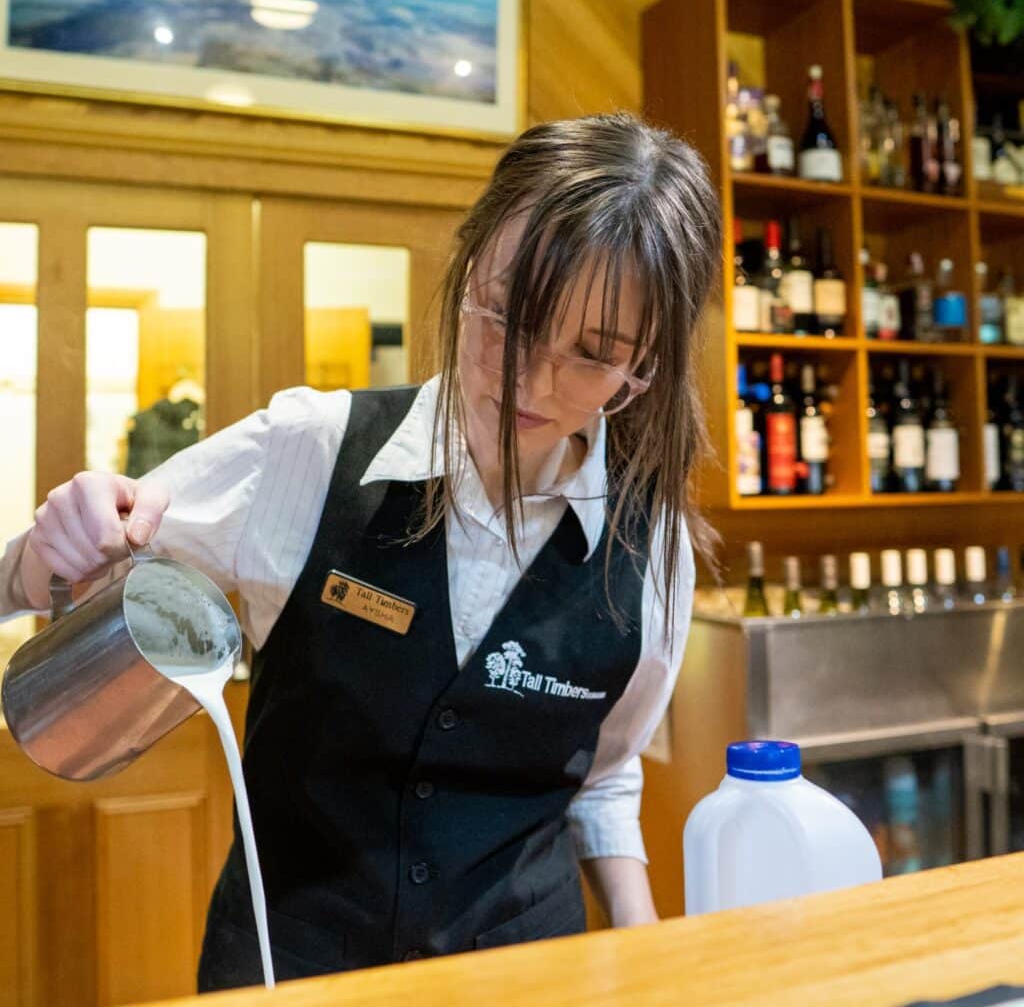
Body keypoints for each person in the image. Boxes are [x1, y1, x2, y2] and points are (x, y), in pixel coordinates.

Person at [0, 111, 722, 991]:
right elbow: (31, 581)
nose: (530, 378)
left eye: (593, 356)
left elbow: (601, 780)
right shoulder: (310, 451)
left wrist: (649, 961)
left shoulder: (654, 551)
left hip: (526, 977)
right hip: (290, 971)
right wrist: (56, 546)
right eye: (505, 317)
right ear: (465, 270)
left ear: (644, 365)